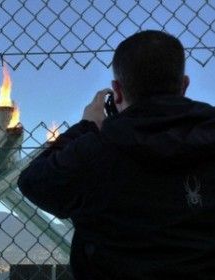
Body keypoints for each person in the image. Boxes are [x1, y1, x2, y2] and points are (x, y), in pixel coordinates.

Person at [18, 30, 215, 279]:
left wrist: (86, 125)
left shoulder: (97, 150)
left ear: (117, 91)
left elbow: (33, 182)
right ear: (184, 85)